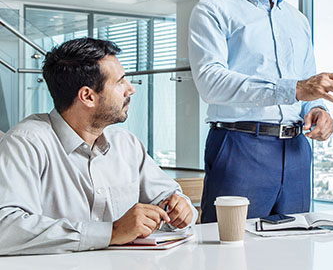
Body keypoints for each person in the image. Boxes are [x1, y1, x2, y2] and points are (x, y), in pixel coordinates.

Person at [188, 0, 333, 222]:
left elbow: (307, 88)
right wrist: (293, 89)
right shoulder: (213, 10)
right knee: (228, 259)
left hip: (296, 153)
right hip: (239, 148)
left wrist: (318, 109)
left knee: (295, 259)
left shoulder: (298, 21)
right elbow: (210, 82)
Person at [0, 38, 197, 255]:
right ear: (88, 96)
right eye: (120, 82)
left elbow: (169, 197)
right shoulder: (26, 142)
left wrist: (180, 209)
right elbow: (6, 228)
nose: (130, 89)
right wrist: (110, 232)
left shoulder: (127, 144)